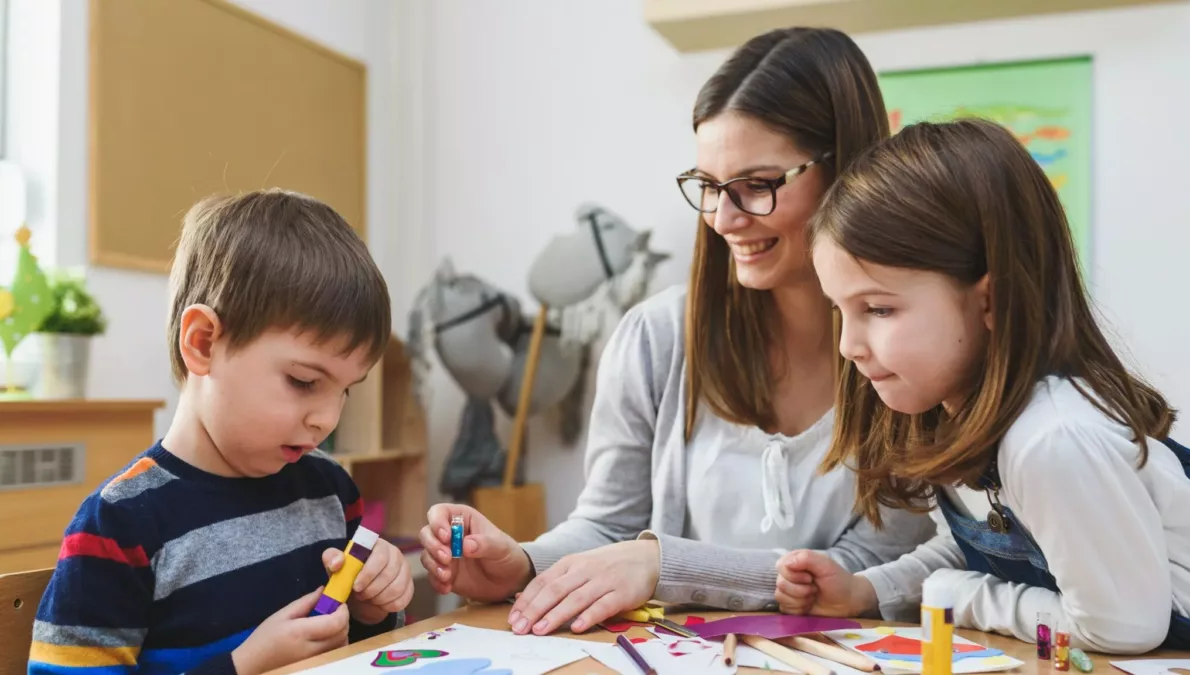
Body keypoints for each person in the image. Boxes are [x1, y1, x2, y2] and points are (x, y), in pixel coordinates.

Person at [418, 26, 935, 637]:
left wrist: (664, 564)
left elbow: (865, 570)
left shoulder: (909, 347)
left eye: (758, 185)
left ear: (843, 170)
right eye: (710, 187)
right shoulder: (656, 336)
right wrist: (523, 563)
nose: (724, 219)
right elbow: (611, 528)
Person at [776, 117, 1190, 653]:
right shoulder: (957, 415)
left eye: (878, 308)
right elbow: (990, 548)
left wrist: (958, 598)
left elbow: (1121, 627)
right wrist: (868, 590)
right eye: (842, 312)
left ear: (991, 302)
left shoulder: (1052, 440)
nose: (848, 346)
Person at [28, 190, 416, 675]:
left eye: (345, 391)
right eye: (305, 382)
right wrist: (242, 667)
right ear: (204, 343)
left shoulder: (331, 492)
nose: (327, 419)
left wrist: (372, 610)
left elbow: (364, 655)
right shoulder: (121, 525)